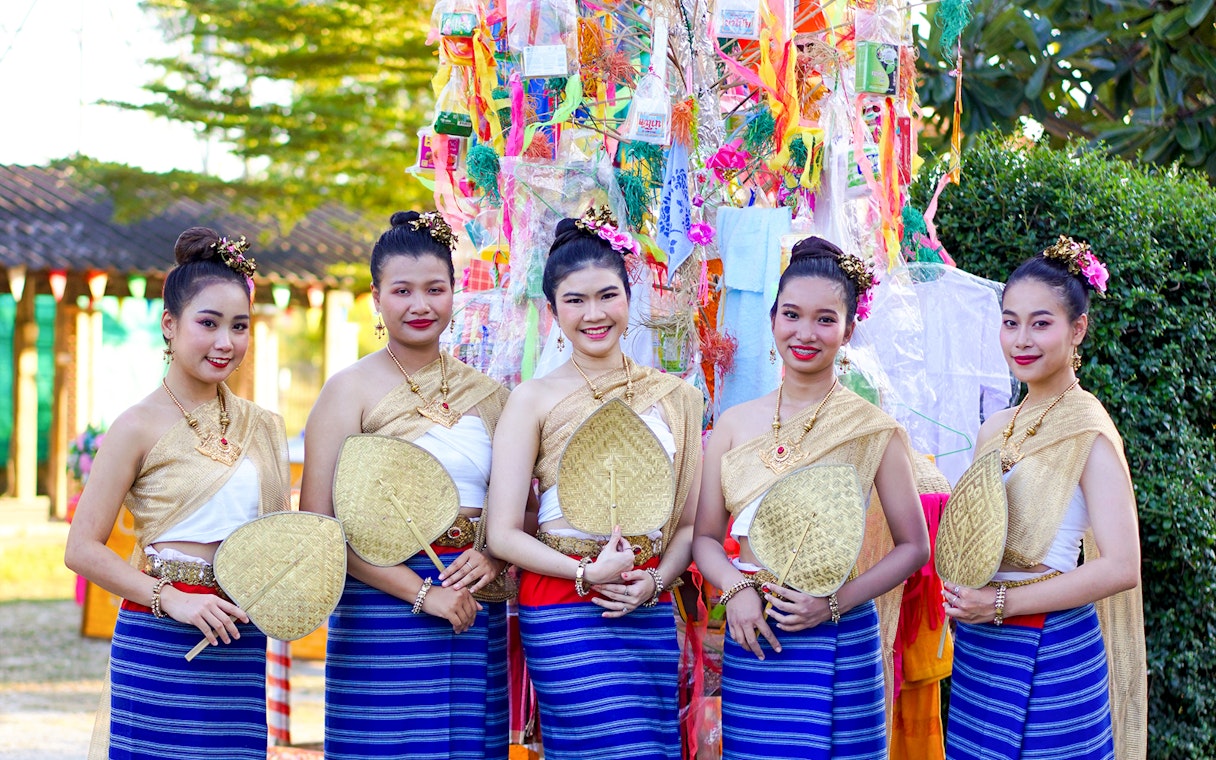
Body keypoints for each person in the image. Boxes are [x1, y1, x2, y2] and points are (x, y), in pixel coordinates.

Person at [692, 236, 930, 760]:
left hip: (840, 633)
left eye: (826, 319)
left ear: (848, 329)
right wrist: (735, 590)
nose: (806, 333)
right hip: (755, 629)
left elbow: (914, 546)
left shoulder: (871, 428)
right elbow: (704, 539)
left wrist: (832, 604)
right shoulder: (733, 424)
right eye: (792, 315)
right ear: (773, 318)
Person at [484, 206, 704, 760]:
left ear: (629, 297)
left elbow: (686, 524)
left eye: (607, 295)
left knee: (651, 748)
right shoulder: (531, 399)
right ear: (553, 310)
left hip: (645, 603)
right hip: (563, 605)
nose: (594, 314)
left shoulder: (676, 397)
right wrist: (586, 571)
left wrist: (654, 584)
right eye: (575, 301)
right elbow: (501, 532)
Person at [65, 228, 291, 759]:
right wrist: (174, 602)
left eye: (239, 327)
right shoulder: (136, 426)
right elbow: (82, 548)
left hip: (237, 636)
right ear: (170, 324)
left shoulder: (262, 427)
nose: (225, 342)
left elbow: (278, 540)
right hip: (159, 635)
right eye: (208, 323)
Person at [299, 211, 511, 760]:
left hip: (472, 603)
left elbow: (522, 513)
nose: (420, 305)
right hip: (380, 611)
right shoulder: (347, 391)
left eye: (435, 289)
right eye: (402, 290)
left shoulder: (489, 395)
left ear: (453, 292)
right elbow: (321, 530)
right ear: (376, 297)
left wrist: (492, 554)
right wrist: (421, 593)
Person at [942, 236, 1145, 760]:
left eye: (1041, 323)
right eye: (1010, 322)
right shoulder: (995, 428)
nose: (1021, 339)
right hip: (980, 648)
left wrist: (1002, 603)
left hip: (1054, 651)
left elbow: (1122, 566)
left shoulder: (1089, 431)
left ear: (1077, 329)